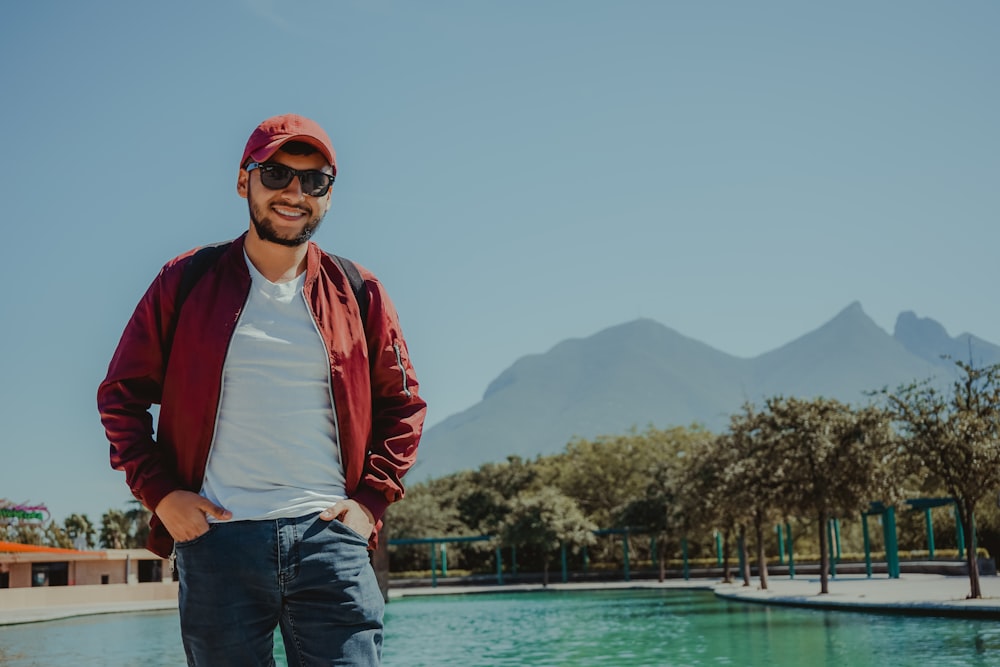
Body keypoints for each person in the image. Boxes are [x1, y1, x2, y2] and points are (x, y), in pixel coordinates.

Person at [97, 113, 426, 666]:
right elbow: (120, 397)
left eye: (313, 180)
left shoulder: (359, 290)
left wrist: (369, 504)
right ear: (243, 180)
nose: (294, 192)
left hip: (331, 544)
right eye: (275, 174)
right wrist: (161, 494)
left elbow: (403, 406)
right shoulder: (187, 281)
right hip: (218, 544)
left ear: (329, 196)